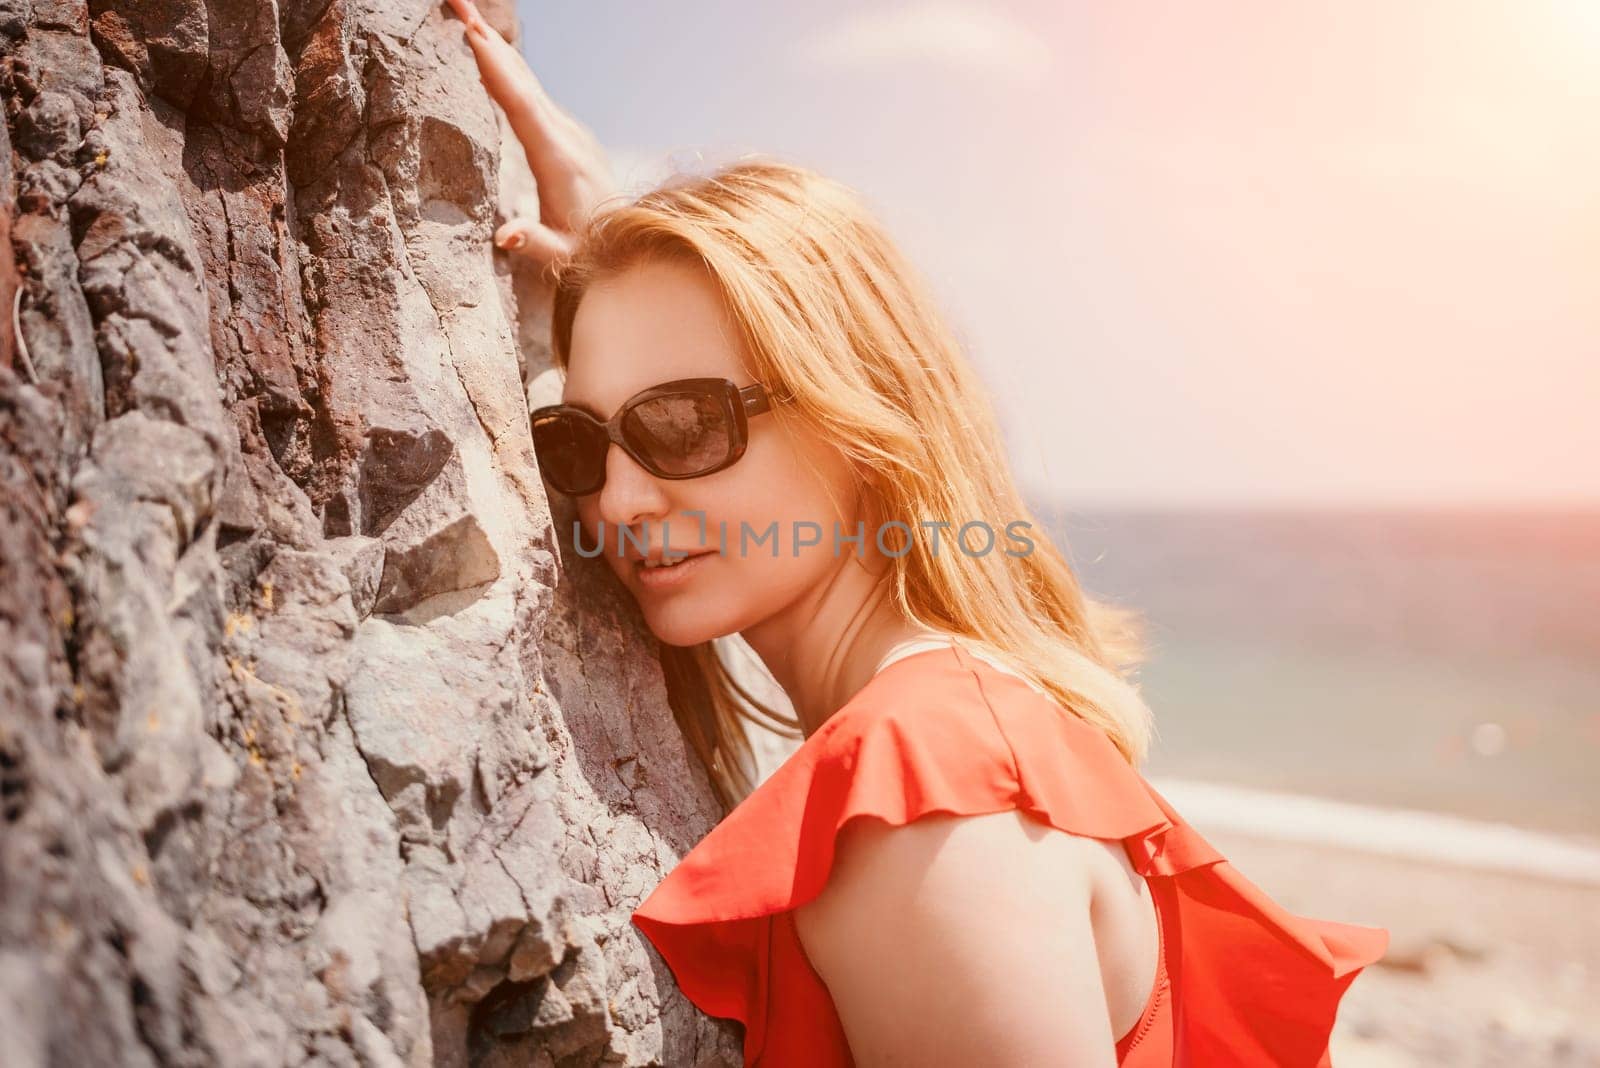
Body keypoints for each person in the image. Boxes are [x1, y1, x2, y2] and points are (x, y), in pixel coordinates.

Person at [443, 3, 1390, 1065]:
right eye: (580, 443)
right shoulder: (966, 731)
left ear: (857, 419)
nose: (614, 502)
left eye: (680, 425)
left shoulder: (917, 805)